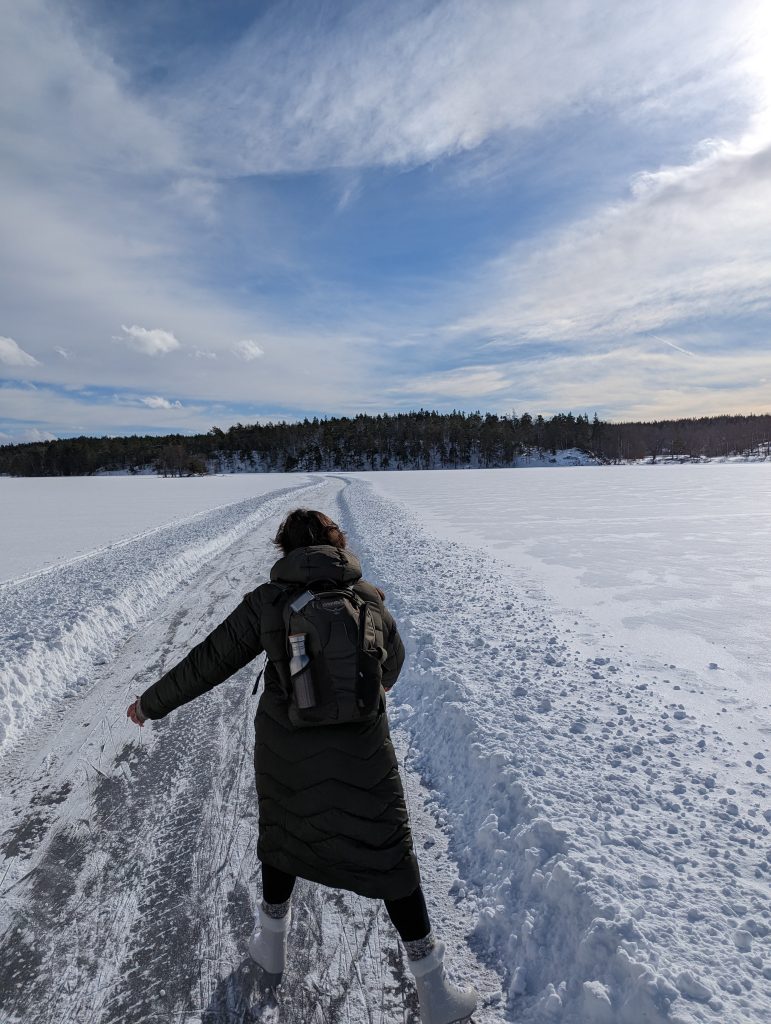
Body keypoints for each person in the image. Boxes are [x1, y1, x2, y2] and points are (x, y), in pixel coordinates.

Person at [127, 508, 478, 1024]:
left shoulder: (268, 602)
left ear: (284, 549)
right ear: (337, 545)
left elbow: (209, 660)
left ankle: (271, 947)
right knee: (388, 855)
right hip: (364, 753)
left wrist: (149, 704)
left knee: (286, 834)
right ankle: (434, 992)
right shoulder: (369, 598)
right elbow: (394, 662)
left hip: (286, 750)